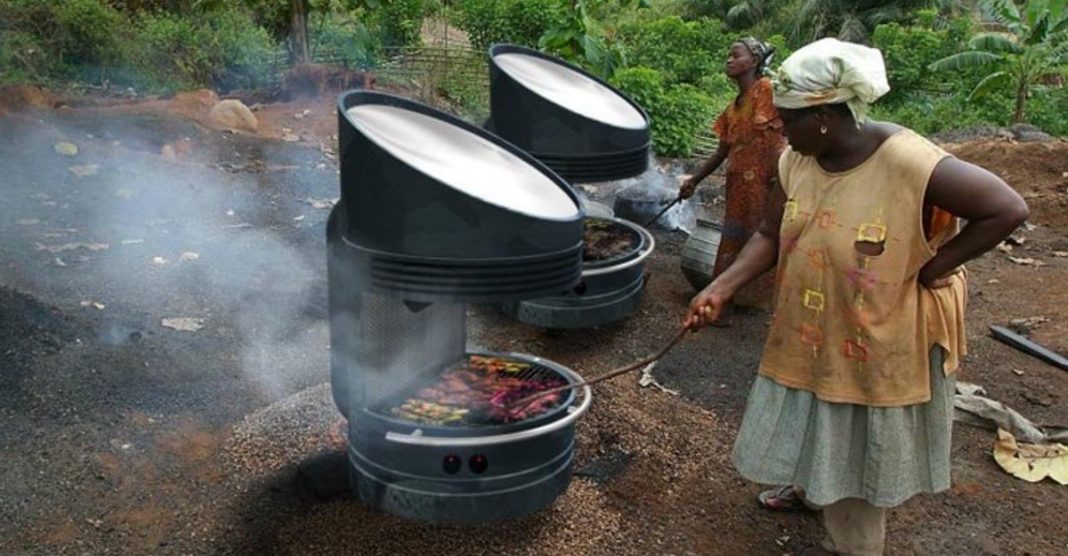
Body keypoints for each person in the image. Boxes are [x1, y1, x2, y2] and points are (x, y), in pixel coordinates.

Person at [683, 38, 1029, 555]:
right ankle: (814, 488)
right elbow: (771, 234)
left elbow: (1007, 208)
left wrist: (935, 267)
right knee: (813, 404)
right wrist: (719, 287)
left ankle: (854, 542)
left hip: (878, 328)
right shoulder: (796, 161)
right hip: (814, 319)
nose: (779, 129)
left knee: (857, 434)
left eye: (788, 120)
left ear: (824, 115)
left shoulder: (907, 160)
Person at [680, 36, 785, 313]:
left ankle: (757, 303)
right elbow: (721, 151)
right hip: (738, 186)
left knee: (762, 239)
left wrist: (780, 181)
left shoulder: (765, 91)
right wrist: (694, 181)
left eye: (736, 55)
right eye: (729, 55)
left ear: (754, 60)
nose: (729, 60)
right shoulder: (734, 106)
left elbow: (780, 139)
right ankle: (727, 300)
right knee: (734, 238)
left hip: (765, 183)